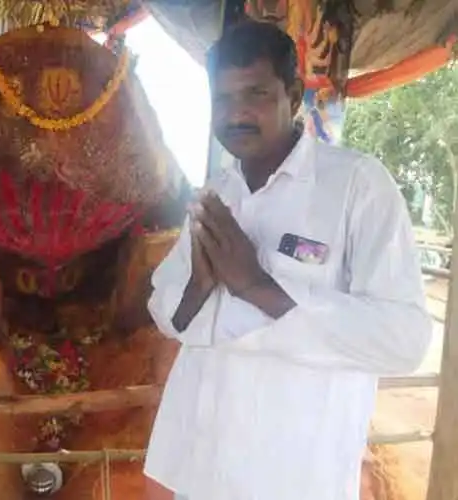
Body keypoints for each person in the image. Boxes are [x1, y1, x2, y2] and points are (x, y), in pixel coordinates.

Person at [144, 20, 432, 500]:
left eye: (255, 94)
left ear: (294, 95)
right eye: (222, 98)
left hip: (292, 476)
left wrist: (257, 286)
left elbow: (403, 341)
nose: (236, 114)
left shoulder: (356, 186)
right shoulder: (218, 192)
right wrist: (199, 284)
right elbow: (164, 311)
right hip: (196, 466)